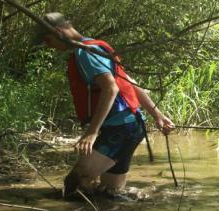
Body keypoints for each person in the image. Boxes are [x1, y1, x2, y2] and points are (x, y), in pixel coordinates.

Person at [34, 12, 175, 200]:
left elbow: (111, 88)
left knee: (74, 185)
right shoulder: (95, 46)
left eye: (47, 40)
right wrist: (157, 115)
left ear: (59, 32)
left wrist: (92, 132)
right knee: (110, 193)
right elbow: (129, 84)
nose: (47, 45)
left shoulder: (85, 53)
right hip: (132, 126)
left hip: (120, 129)